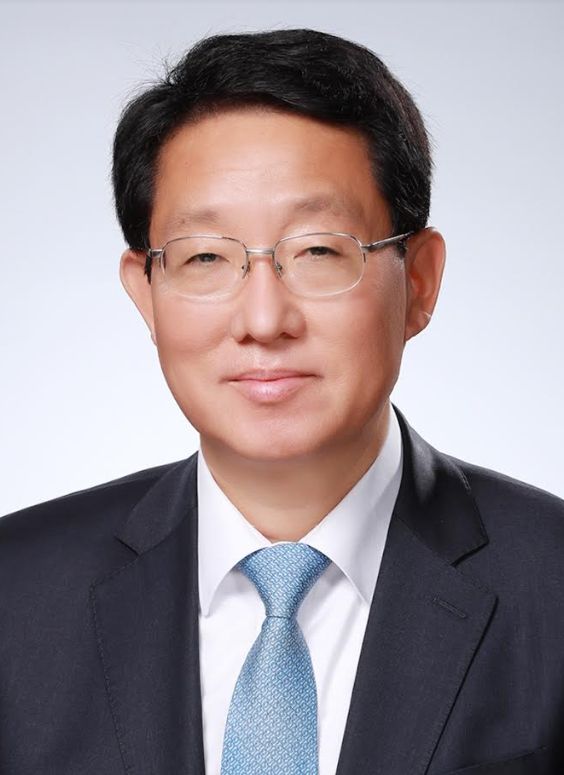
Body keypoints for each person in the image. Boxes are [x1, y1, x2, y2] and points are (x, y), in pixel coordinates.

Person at [1, 27, 563, 775]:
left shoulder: (551, 587)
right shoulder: (16, 596)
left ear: (419, 281)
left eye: (319, 250)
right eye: (206, 256)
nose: (264, 320)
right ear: (145, 292)